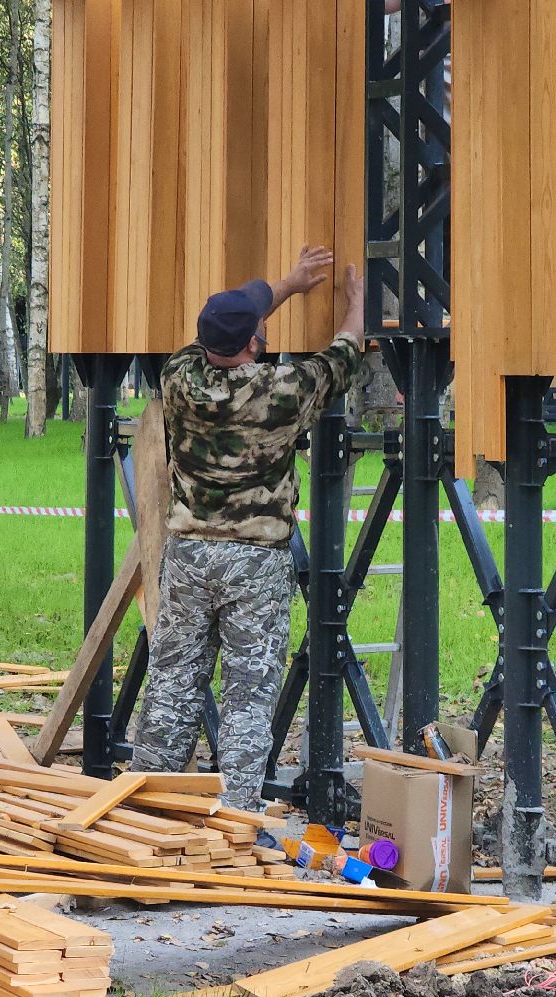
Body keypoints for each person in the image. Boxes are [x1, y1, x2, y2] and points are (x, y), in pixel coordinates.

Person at [128, 247, 367, 812]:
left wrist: (284, 285)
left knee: (170, 682)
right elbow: (342, 357)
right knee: (248, 696)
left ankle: (147, 804)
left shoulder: (179, 376)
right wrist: (355, 303)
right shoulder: (279, 392)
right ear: (255, 343)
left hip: (188, 553)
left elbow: (232, 322)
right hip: (254, 561)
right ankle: (236, 814)